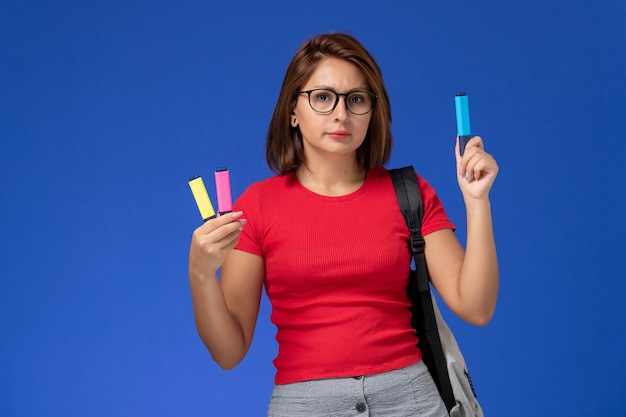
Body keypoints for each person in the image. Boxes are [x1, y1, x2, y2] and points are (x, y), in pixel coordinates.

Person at [188, 32, 499, 417]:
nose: (341, 114)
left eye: (356, 99)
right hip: (304, 405)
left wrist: (477, 201)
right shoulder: (258, 205)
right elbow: (228, 352)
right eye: (322, 97)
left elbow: (476, 307)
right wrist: (200, 274)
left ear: (373, 110)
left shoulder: (409, 194)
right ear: (292, 111)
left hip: (411, 400)